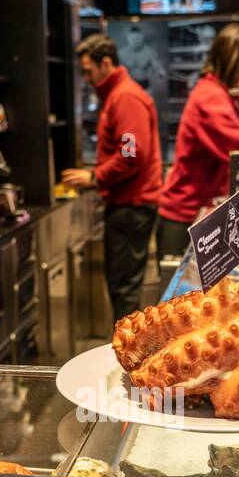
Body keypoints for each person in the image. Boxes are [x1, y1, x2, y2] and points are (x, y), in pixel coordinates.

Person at [60, 34, 163, 319]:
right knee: (123, 288)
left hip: (131, 207)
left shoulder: (125, 97)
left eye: (88, 71)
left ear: (105, 63)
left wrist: (95, 176)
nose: (86, 79)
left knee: (124, 292)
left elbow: (131, 153)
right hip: (130, 205)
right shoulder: (118, 95)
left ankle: (125, 347)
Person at [156, 23, 239, 257]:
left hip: (199, 212)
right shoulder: (210, 97)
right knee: (181, 282)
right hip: (185, 216)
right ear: (232, 60)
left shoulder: (218, 94)